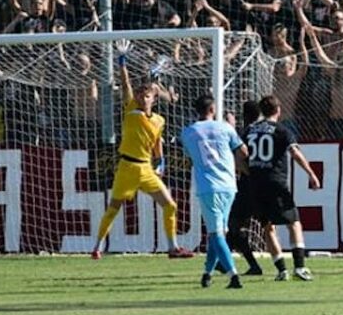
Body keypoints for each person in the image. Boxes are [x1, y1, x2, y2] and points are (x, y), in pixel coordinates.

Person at [91, 43, 194, 259]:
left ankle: (173, 248)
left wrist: (161, 162)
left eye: (145, 95)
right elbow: (125, 83)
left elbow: (157, 143)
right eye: (139, 95)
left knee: (170, 205)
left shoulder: (159, 120)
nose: (141, 97)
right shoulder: (131, 111)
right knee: (113, 209)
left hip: (146, 169)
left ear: (153, 99)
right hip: (127, 166)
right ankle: (97, 247)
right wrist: (122, 61)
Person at [246, 95, 322, 281]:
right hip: (276, 182)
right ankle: (300, 268)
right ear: (278, 110)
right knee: (294, 223)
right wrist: (311, 174)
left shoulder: (250, 130)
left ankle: (281, 270)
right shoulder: (282, 131)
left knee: (267, 227)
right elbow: (295, 152)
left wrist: (247, 172)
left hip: (256, 182)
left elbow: (240, 154)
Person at [180, 93, 250, 289]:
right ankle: (207, 274)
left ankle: (233, 275)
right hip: (229, 185)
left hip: (208, 187)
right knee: (218, 232)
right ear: (213, 109)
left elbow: (189, 153)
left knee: (216, 233)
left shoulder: (188, 132)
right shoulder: (226, 128)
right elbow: (244, 152)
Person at [227, 100, 266, 276]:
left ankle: (253, 265)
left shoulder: (245, 133)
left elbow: (239, 159)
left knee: (235, 225)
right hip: (265, 184)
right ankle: (224, 260)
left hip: (247, 185)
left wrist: (248, 172)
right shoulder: (266, 132)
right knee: (239, 225)